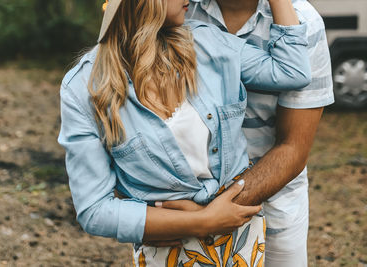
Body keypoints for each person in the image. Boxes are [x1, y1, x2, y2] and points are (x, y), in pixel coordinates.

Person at [58, 0, 311, 266]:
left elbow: (291, 71)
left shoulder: (206, 42)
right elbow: (94, 210)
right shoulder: (84, 89)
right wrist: (201, 222)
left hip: (238, 240)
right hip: (168, 248)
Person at [179, 0, 334, 266]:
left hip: (273, 203)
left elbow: (293, 148)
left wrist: (209, 214)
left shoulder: (302, 21)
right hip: (183, 199)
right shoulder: (179, 9)